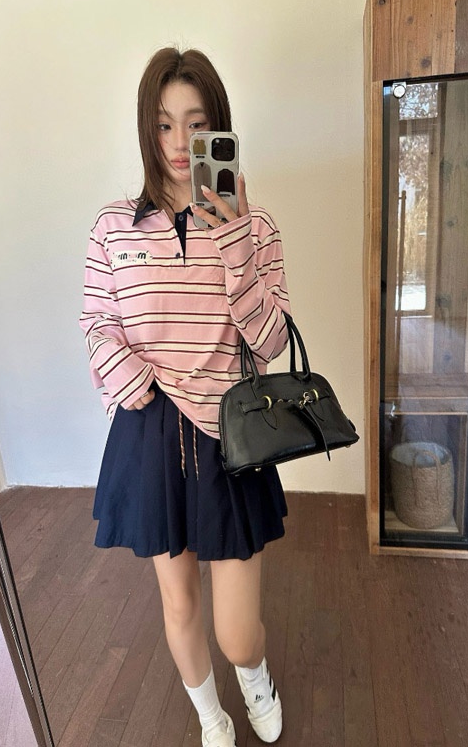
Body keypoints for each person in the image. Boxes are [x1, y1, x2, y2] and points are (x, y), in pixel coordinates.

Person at [79, 47, 291, 747]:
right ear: (147, 128)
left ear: (218, 130)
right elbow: (96, 323)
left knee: (237, 631)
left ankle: (254, 675)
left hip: (231, 434)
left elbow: (270, 342)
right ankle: (210, 715)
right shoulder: (112, 227)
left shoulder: (256, 227)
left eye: (196, 125)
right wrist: (129, 377)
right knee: (178, 604)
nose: (178, 143)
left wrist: (233, 241)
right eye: (164, 124)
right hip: (149, 431)